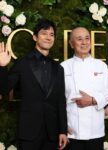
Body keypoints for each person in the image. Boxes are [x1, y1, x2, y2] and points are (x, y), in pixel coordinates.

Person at [0, 18, 68, 150]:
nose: (48, 37)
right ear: (35, 37)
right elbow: (3, 89)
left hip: (52, 134)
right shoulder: (23, 62)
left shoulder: (58, 68)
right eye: (44, 33)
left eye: (52, 34)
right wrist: (2, 66)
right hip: (28, 132)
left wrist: (63, 131)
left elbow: (60, 101)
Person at [61, 27, 108, 150]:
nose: (84, 42)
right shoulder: (63, 67)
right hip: (72, 130)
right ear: (71, 44)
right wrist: (61, 126)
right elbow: (56, 99)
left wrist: (92, 100)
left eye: (87, 38)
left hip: (95, 130)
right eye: (79, 39)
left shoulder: (101, 66)